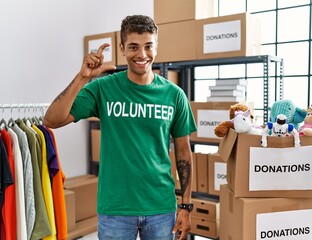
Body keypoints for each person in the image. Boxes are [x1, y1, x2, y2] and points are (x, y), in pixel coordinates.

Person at [44, 15, 197, 240]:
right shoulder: (103, 88)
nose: (142, 54)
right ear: (122, 48)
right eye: (134, 47)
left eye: (148, 46)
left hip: (160, 208)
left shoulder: (174, 95)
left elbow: (184, 152)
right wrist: (82, 78)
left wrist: (186, 206)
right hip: (115, 209)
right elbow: (52, 120)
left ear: (156, 47)